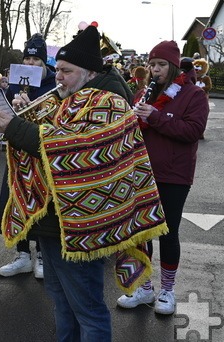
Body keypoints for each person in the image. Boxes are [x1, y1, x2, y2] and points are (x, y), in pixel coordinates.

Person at [0, 26, 168, 341]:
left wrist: (18, 128)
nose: (57, 76)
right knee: (62, 304)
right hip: (51, 223)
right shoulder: (66, 99)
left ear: (87, 72)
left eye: (65, 70)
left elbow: (74, 147)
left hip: (84, 226)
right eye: (56, 69)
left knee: (88, 310)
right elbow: (42, 139)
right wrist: (21, 115)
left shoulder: (108, 101)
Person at [116, 41, 209, 315]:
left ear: (173, 66)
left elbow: (193, 130)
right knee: (140, 230)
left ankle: (167, 291)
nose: (155, 70)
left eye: (161, 65)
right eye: (152, 65)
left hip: (174, 175)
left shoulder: (193, 95)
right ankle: (144, 287)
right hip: (142, 172)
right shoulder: (145, 92)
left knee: (167, 233)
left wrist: (156, 117)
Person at [0, 33, 56, 278]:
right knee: (16, 199)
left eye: (36, 60)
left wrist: (33, 106)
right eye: (27, 59)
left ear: (44, 64)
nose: (30, 64)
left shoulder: (53, 85)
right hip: (16, 153)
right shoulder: (14, 83)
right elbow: (4, 113)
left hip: (39, 153)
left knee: (40, 201)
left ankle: (42, 255)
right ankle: (22, 254)